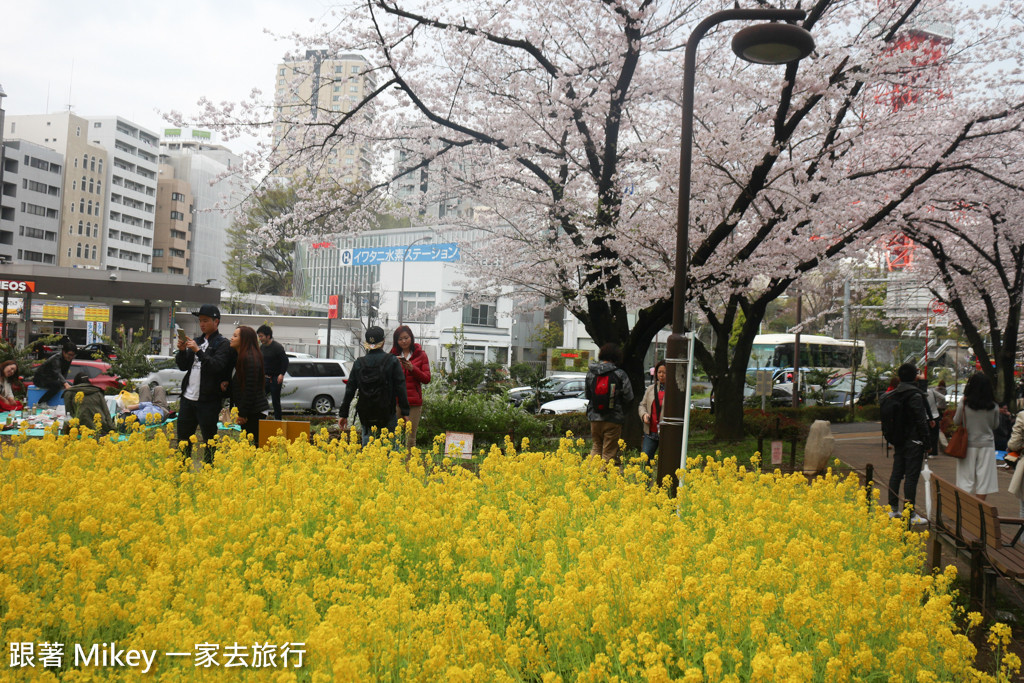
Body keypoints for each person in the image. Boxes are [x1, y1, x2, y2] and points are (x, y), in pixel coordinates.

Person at [175, 304, 233, 466]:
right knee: (183, 439)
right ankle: (182, 469)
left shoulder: (222, 344)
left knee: (209, 440)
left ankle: (208, 470)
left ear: (216, 322)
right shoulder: (197, 341)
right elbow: (183, 366)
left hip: (208, 400)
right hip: (188, 398)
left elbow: (216, 367)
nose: (202, 324)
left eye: (206, 320)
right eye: (200, 321)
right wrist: (181, 351)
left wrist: (198, 352)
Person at [338, 326, 410, 447]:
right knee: (390, 448)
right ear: (382, 342)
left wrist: (343, 414)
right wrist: (405, 412)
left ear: (367, 343)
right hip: (387, 412)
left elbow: (350, 389)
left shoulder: (359, 363)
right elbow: (400, 387)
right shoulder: (392, 361)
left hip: (366, 413)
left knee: (368, 446)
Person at [885, 363, 930, 524]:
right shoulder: (915, 395)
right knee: (911, 477)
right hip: (914, 440)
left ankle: (892, 509)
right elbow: (921, 419)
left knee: (896, 473)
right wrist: (927, 440)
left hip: (898, 439)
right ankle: (909, 514)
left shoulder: (895, 393)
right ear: (914, 376)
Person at [953, 372, 1000, 500]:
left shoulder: (964, 403)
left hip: (967, 445)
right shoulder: (994, 406)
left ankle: (964, 508)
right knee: (984, 480)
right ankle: (980, 509)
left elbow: (957, 421)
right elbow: (995, 425)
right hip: (987, 445)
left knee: (965, 479)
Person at [585, 343, 634, 462]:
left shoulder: (591, 373)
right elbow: (629, 396)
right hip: (613, 418)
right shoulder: (620, 374)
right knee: (608, 453)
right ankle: (602, 478)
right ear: (616, 357)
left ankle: (590, 476)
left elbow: (587, 395)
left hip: (594, 417)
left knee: (596, 447)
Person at [390, 325, 431, 448]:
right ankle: (394, 465)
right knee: (393, 437)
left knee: (410, 438)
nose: (403, 341)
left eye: (406, 338)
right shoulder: (392, 356)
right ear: (396, 341)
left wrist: (413, 369)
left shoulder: (421, 355)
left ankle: (409, 466)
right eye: (400, 339)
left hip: (413, 402)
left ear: (411, 338)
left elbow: (426, 379)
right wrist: (392, 365)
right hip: (396, 401)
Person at [228, 326, 270, 443]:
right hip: (250, 410)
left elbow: (249, 389)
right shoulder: (241, 357)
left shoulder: (249, 359)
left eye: (235, 336)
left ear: (245, 340)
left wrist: (242, 413)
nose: (231, 338)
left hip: (254, 411)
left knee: (253, 445)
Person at [62, 372, 115, 436]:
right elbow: (106, 412)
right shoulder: (97, 392)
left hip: (79, 430)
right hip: (99, 428)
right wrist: (112, 428)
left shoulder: (69, 393)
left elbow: (68, 415)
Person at [257, 324, 288, 421]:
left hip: (275, 378)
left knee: (275, 401)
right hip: (264, 378)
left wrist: (281, 374)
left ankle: (278, 420)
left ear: (268, 336)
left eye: (261, 336)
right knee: (260, 399)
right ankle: (261, 418)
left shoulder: (277, 347)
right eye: (259, 336)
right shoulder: (261, 348)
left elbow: (285, 361)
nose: (260, 338)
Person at [638, 360, 666, 461]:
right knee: (644, 460)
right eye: (659, 372)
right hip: (650, 431)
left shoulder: (674, 390)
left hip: (666, 433)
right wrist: (644, 415)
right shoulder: (650, 389)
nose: (661, 375)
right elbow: (642, 405)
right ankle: (646, 477)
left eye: (664, 372)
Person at [33, 340, 76, 405]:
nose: (71, 357)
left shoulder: (68, 359)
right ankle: (41, 402)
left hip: (51, 379)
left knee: (71, 385)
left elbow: (65, 372)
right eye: (69, 355)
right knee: (57, 385)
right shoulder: (56, 358)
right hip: (40, 379)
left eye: (73, 355)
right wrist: (65, 383)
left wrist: (65, 383)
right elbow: (57, 372)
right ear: (64, 352)